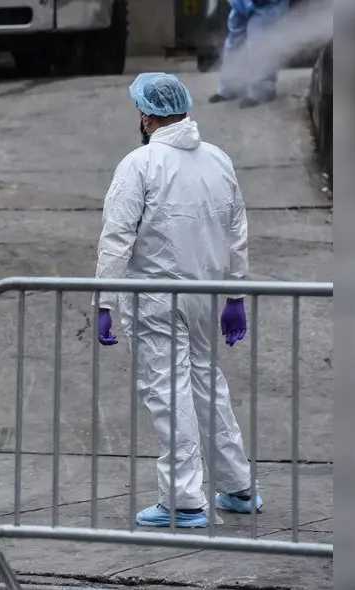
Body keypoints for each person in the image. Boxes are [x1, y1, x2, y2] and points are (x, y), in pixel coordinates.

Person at [94, 72, 262, 528]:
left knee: (169, 392)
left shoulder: (139, 165)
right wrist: (235, 295)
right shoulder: (218, 160)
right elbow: (236, 233)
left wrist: (106, 301)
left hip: (156, 299)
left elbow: (116, 239)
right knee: (209, 386)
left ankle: (183, 499)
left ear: (147, 116)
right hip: (207, 294)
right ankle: (237, 485)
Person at [210, 0, 290, 108]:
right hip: (240, 3)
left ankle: (262, 90)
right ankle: (231, 87)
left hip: (267, 4)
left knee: (260, 41)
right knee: (235, 42)